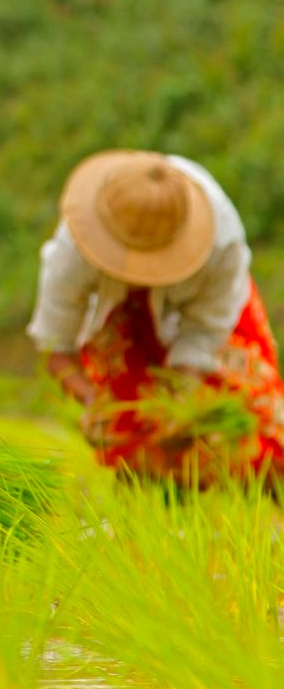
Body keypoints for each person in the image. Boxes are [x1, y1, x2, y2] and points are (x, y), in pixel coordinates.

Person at [27, 150, 283, 486]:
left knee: (255, 414)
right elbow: (55, 346)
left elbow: (205, 331)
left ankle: (259, 489)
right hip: (119, 314)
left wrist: (181, 398)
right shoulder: (74, 248)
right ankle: (151, 490)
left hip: (209, 314)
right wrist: (92, 401)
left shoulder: (221, 241)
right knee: (129, 423)